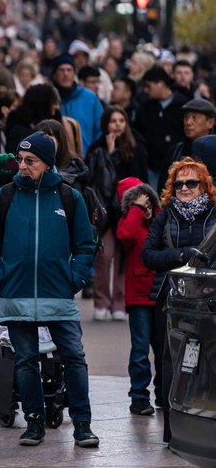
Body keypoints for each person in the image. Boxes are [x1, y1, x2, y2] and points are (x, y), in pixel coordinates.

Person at [0, 131, 100, 448]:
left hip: (58, 293)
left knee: (74, 357)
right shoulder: (5, 196)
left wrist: (73, 278)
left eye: (30, 161)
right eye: (20, 159)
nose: (22, 165)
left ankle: (83, 425)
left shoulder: (68, 196)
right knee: (25, 361)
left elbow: (86, 245)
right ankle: (33, 423)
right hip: (15, 293)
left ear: (47, 164)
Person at [140, 157, 216, 444]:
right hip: (170, 298)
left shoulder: (214, 214)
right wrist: (181, 255)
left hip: (208, 299)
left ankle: (205, 428)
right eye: (179, 183)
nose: (184, 188)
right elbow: (148, 255)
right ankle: (174, 434)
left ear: (204, 186)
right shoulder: (165, 215)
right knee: (171, 363)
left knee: (206, 363)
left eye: (191, 182)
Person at [85, 106, 149, 321]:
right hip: (104, 212)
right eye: (113, 121)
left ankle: (120, 302)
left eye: (121, 120)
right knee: (105, 255)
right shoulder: (96, 149)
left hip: (127, 210)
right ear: (106, 124)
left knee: (124, 259)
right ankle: (101, 301)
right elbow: (95, 181)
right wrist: (109, 153)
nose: (118, 125)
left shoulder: (135, 148)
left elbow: (141, 180)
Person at [116, 177, 162, 416]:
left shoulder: (159, 220)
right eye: (138, 204)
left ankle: (163, 393)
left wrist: (153, 207)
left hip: (161, 294)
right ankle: (139, 397)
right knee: (140, 350)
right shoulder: (128, 224)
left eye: (147, 204)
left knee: (163, 349)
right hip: (139, 298)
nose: (144, 209)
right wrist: (135, 207)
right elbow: (125, 234)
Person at [132, 65, 189, 191]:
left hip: (179, 168)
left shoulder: (183, 105)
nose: (146, 90)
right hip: (152, 167)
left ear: (160, 84)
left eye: (148, 86)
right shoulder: (144, 108)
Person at [52, 53, 104, 150]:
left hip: (86, 157)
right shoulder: (49, 98)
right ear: (55, 75)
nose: (65, 74)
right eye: (61, 70)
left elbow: (100, 128)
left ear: (74, 74)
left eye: (69, 70)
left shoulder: (89, 97)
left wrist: (93, 150)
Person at [163, 97, 216, 169]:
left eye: (194, 117)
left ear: (210, 123)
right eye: (186, 117)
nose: (188, 122)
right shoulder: (176, 151)